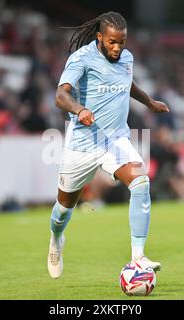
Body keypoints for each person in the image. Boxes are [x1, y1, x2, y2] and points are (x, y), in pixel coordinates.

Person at [47, 12, 170, 279]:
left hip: (115, 140)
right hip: (82, 143)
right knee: (64, 209)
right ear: (100, 37)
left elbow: (127, 84)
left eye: (122, 42)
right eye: (112, 42)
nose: (117, 48)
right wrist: (79, 110)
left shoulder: (127, 58)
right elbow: (60, 95)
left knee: (141, 182)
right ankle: (56, 240)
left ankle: (138, 258)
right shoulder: (81, 59)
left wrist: (149, 102)